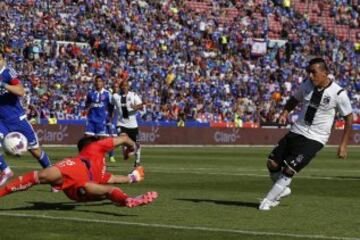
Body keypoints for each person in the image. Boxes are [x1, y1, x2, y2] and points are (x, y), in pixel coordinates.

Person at [259, 58, 353, 210]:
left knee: (290, 169)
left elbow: (349, 118)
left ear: (325, 73)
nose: (310, 75)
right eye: (309, 72)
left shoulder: (338, 93)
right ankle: (282, 189)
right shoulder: (307, 85)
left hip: (316, 138)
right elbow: (295, 99)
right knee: (272, 163)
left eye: (314, 72)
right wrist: (285, 112)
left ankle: (268, 201)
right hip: (297, 131)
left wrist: (344, 145)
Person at [0, 135, 157, 208]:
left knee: (110, 190)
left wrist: (132, 177)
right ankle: (125, 199)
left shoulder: (101, 168)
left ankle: (126, 200)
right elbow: (123, 137)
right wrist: (133, 147)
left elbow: (114, 178)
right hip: (78, 170)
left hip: (78, 186)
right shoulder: (94, 147)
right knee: (109, 190)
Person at [0, 50, 52, 186]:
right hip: (1, 121)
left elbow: (21, 91)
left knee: (35, 150)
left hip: (16, 119)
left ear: (2, 59)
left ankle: (53, 177)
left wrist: (4, 85)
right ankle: (5, 171)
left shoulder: (7, 73)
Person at [111, 81, 143, 167]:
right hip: (121, 124)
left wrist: (135, 107)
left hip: (133, 125)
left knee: (138, 145)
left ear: (128, 87)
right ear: (120, 87)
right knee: (123, 138)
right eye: (123, 86)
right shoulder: (115, 96)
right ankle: (127, 148)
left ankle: (137, 162)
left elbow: (141, 105)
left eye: (126, 86)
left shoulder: (133, 95)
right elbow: (110, 105)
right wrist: (110, 116)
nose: (124, 87)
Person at [84, 75, 115, 162]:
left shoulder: (107, 93)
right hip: (91, 120)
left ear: (103, 83)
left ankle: (103, 159)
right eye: (97, 81)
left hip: (101, 121)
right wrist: (86, 109)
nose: (98, 83)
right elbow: (87, 104)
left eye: (100, 81)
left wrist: (110, 116)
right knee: (87, 141)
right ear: (95, 83)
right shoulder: (91, 93)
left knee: (102, 142)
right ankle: (88, 159)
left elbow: (112, 105)